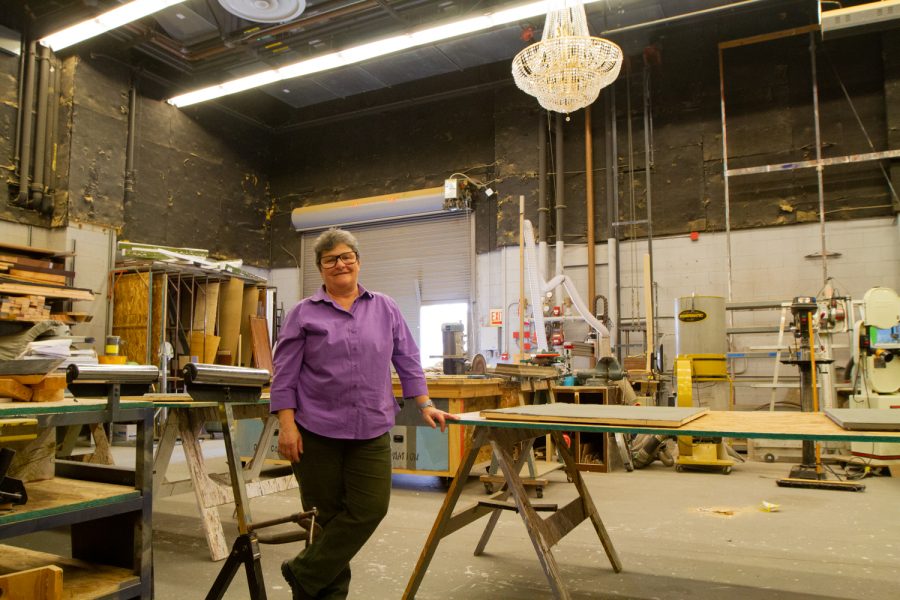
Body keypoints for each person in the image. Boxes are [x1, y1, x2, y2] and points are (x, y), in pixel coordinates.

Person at [271, 227, 458, 600]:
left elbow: (407, 359)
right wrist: (287, 427)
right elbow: (285, 374)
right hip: (316, 431)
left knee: (370, 509)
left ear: (358, 262)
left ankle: (303, 572)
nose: (340, 264)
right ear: (321, 269)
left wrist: (424, 403)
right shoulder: (302, 314)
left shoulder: (385, 307)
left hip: (370, 430)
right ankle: (323, 595)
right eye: (330, 260)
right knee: (326, 519)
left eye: (346, 257)